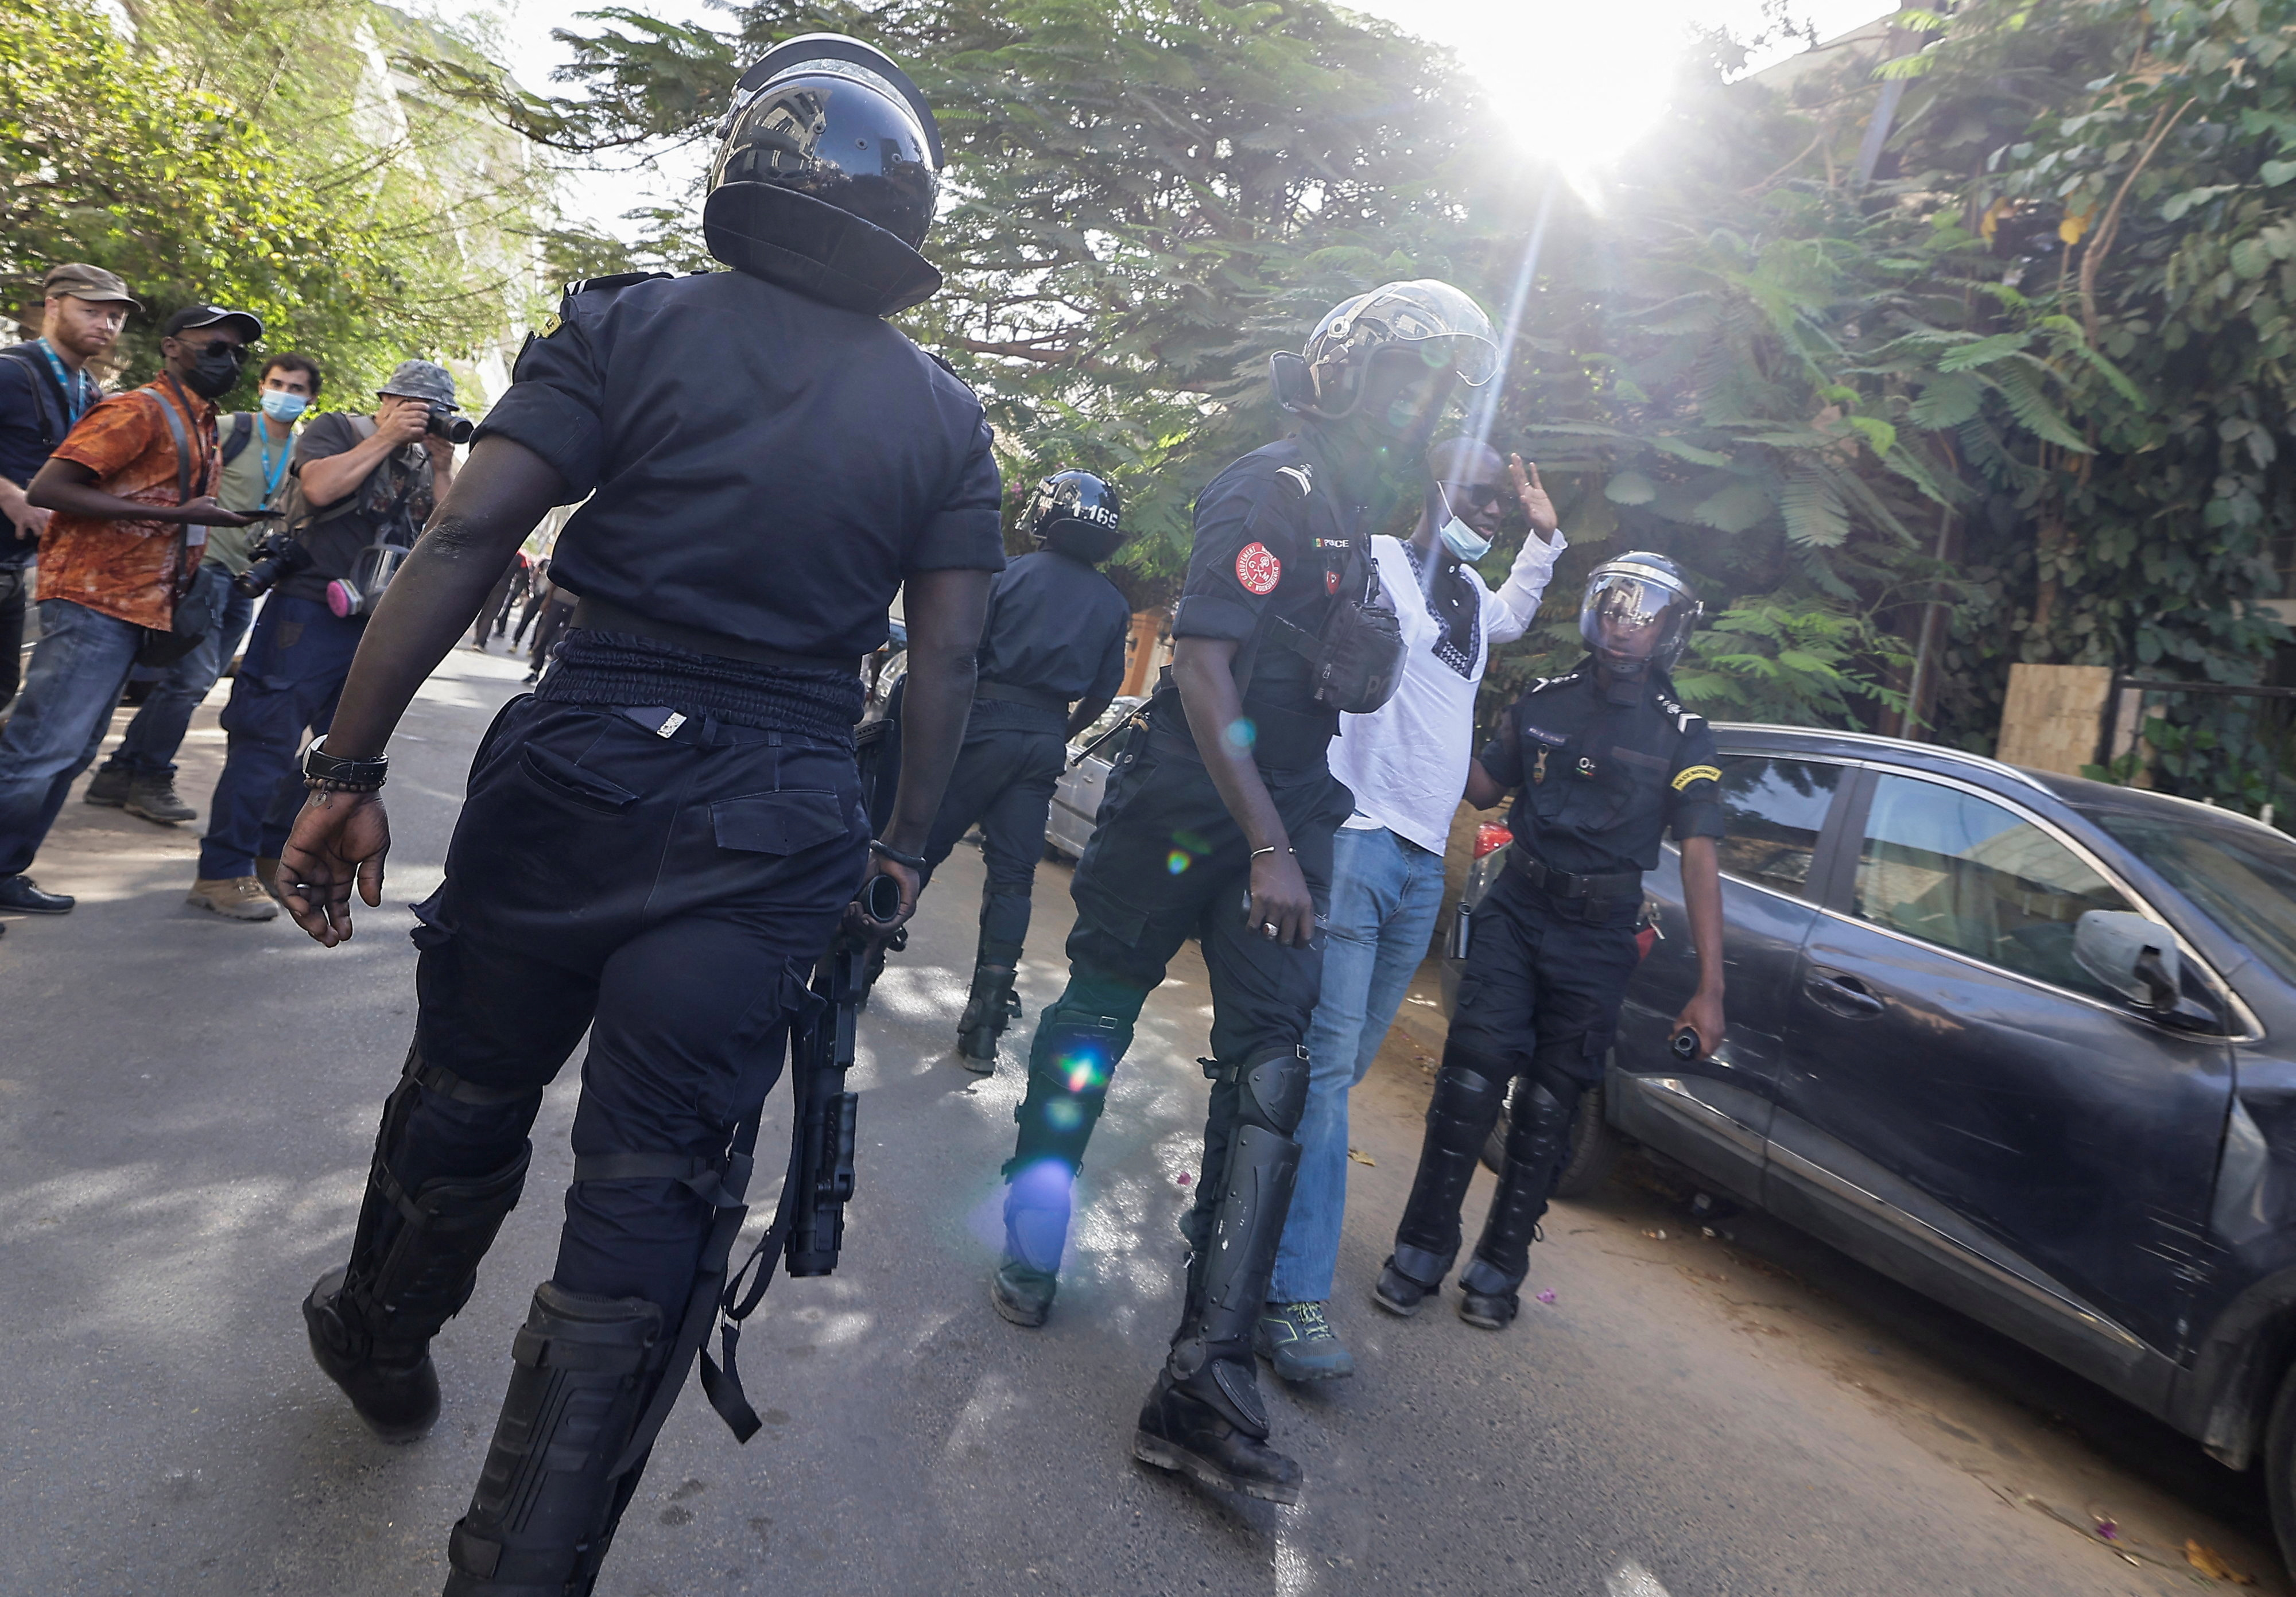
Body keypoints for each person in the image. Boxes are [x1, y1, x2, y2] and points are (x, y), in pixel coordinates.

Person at [279, 36, 1000, 1595]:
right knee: (657, 1181)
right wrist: (901, 843)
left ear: (743, 170)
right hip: (784, 802)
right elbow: (947, 659)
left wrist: (344, 772)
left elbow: (471, 533)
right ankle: (525, 1562)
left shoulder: (626, 322)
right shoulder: (947, 418)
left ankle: (381, 1335)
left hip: (583, 753)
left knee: (470, 1080)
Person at [990, 280, 1500, 1503]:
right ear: (1342, 373)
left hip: (1293, 798)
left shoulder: (1362, 517)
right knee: (1100, 1006)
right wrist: (1270, 844)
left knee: (1274, 1068)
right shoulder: (1270, 485)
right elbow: (1205, 664)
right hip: (1189, 803)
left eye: (1438, 390)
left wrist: (1288, 826)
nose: (1422, 407)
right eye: (1409, 378)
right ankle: (1033, 1219)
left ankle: (1204, 1374)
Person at [1253, 437, 1565, 1382]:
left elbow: (1515, 611)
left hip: (1424, 862)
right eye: (1478, 496)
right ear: (1433, 488)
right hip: (1358, 835)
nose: (1491, 511)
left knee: (1338, 1070)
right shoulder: (1379, 560)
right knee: (1329, 1065)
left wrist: (1544, 537)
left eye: (1500, 503)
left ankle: (1233, 1205)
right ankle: (1292, 1295)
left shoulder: (1471, 595)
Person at [1375, 552, 1728, 1331]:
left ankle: (1500, 1269)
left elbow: (1700, 854)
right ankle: (1420, 1250)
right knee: (1468, 1082)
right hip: (1517, 910)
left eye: (1643, 615)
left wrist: (1711, 986)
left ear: (1669, 631)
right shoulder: (1542, 701)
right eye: (1614, 608)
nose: (1624, 627)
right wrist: (1417, 694)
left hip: (1598, 936)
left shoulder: (1683, 736)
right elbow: (1481, 785)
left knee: (1548, 1104)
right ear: (1593, 613)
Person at [0, 304, 261, 916]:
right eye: (214, 347)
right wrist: (174, 516)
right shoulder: (139, 409)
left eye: (236, 352)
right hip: (92, 598)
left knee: (71, 753)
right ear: (172, 347)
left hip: (136, 606)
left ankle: (7, 870)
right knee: (41, 749)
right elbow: (49, 489)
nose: (228, 360)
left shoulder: (203, 422)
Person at [190, 359, 458, 918]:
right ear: (388, 400)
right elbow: (318, 487)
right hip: (307, 611)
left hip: (374, 623)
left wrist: (441, 464)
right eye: (418, 408)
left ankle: (270, 852)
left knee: (334, 754)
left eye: (439, 413)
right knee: (265, 741)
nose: (427, 419)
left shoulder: (422, 459)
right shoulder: (340, 429)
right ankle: (222, 870)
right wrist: (387, 437)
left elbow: (451, 533)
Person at [916, 470, 1130, 1071]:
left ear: (1045, 517)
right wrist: (1059, 730)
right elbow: (1103, 691)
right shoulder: (1113, 604)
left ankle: (860, 961)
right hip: (1043, 738)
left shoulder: (1006, 575)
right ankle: (984, 1026)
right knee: (1013, 879)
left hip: (983, 723)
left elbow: (963, 654)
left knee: (920, 846)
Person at [85, 353, 320, 833]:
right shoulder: (232, 429)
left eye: (297, 388)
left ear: (311, 398)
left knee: (195, 682)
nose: (286, 394)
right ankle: (150, 775)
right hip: (203, 569)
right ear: (261, 387)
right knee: (189, 681)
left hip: (245, 580)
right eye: (278, 384)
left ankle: (119, 772)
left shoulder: (302, 451)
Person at [0, 264, 138, 709]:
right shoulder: (10, 371)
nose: (105, 324)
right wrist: (9, 495)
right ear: (53, 307)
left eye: (115, 316)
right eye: (91, 311)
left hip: (19, 569)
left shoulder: (90, 390)